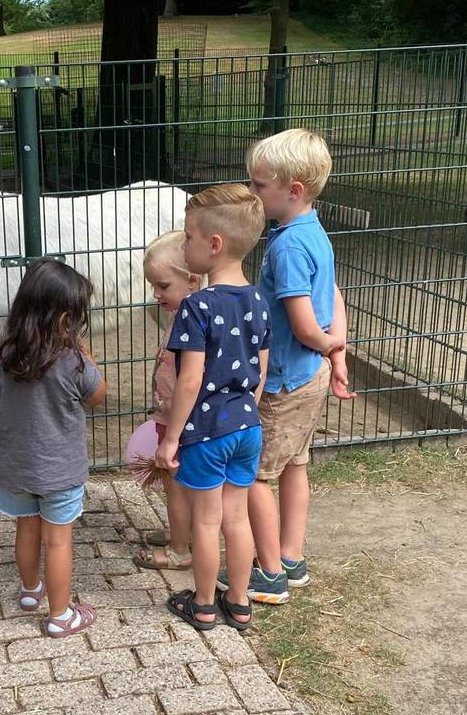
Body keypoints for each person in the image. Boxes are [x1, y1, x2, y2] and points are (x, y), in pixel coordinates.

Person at [227, 127, 352, 605]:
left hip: (282, 381)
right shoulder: (312, 230)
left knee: (256, 474)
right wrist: (336, 349)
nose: (252, 191)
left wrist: (323, 342)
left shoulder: (285, 247)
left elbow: (302, 323)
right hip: (311, 376)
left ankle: (271, 573)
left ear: (292, 190)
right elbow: (334, 295)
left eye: (258, 185)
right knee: (296, 464)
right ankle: (291, 558)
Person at [155, 183, 270, 632]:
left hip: (205, 432)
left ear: (214, 245)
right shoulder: (259, 300)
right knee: (236, 517)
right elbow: (261, 366)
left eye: (187, 237)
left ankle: (203, 603)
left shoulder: (197, 306)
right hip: (247, 427)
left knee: (207, 521)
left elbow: (190, 379)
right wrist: (247, 410)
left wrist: (169, 438)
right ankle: (239, 603)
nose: (184, 245)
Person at [0, 259, 107, 638]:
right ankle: (61, 615)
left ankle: (31, 592)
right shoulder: (73, 360)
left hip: (16, 468)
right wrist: (89, 357)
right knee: (58, 539)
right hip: (60, 472)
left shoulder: (1, 356)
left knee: (25, 530)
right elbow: (98, 396)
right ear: (66, 318)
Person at [132, 230, 202, 572]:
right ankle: (182, 533)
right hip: (177, 414)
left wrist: (171, 428)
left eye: (162, 286)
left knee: (175, 483)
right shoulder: (184, 311)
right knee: (181, 481)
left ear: (191, 281)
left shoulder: (190, 320)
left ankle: (179, 550)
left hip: (178, 418)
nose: (155, 294)